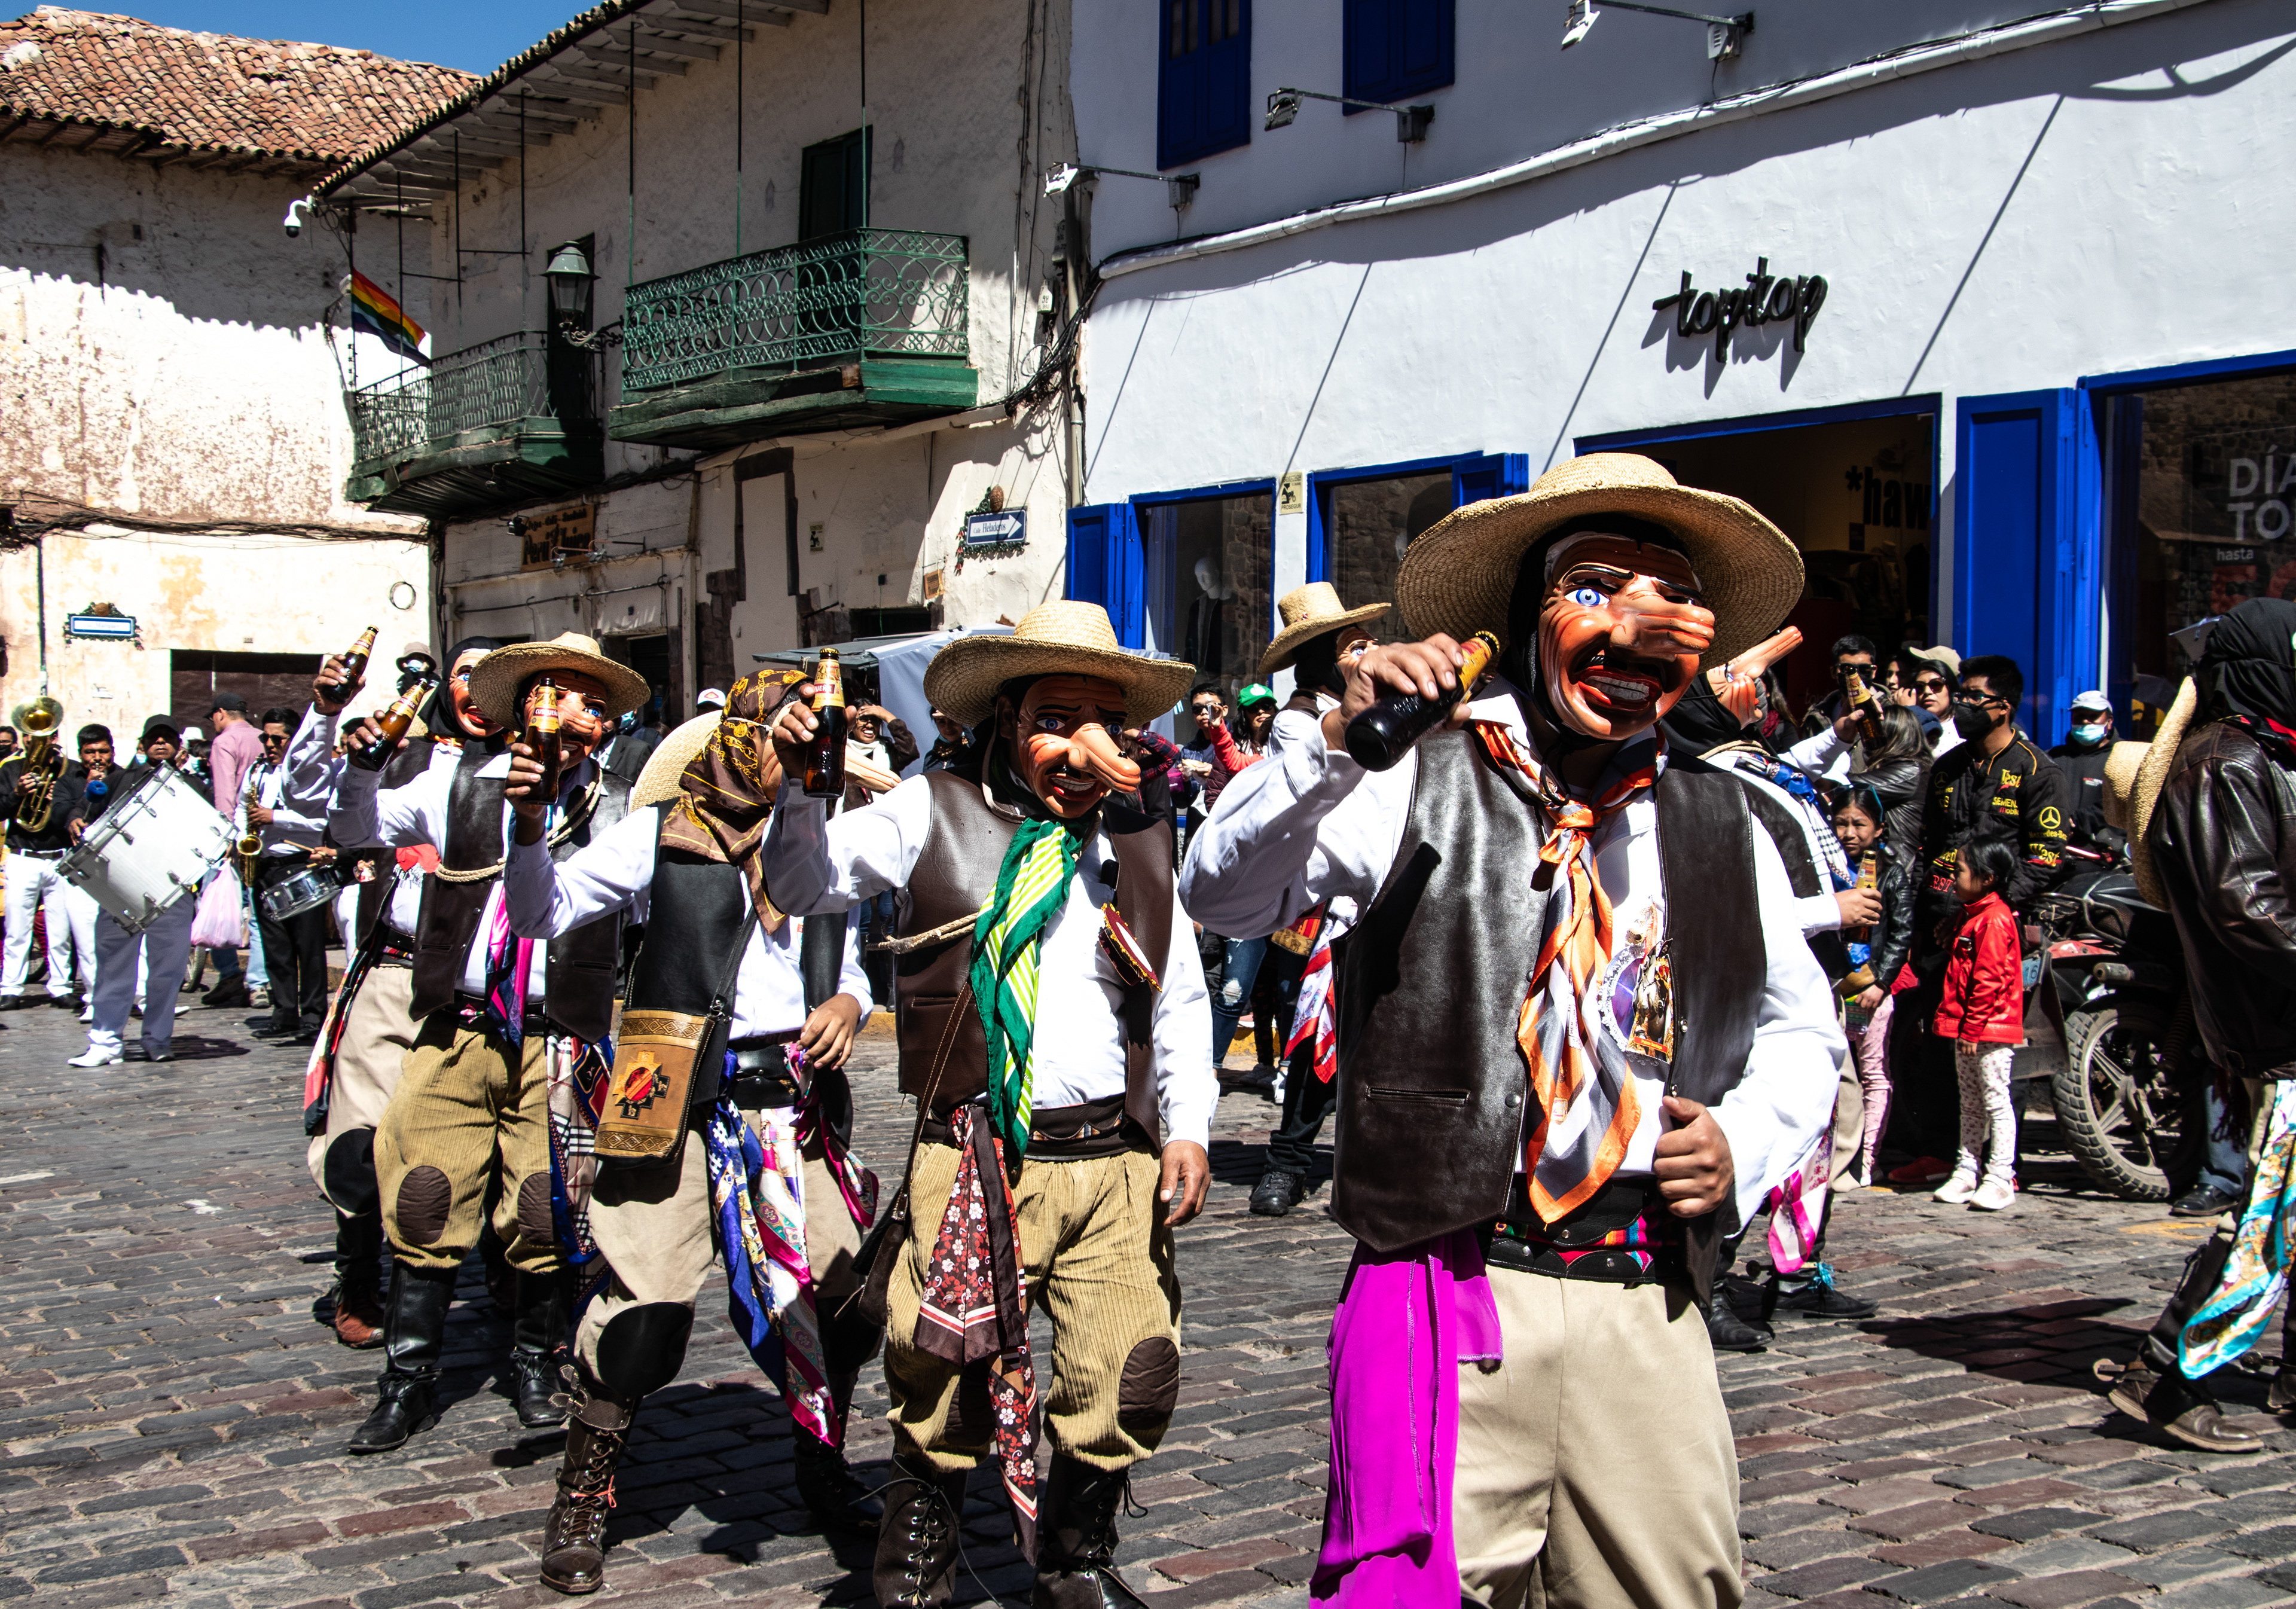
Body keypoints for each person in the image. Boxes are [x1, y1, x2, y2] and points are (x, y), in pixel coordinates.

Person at [1181, 453, 1843, 1605]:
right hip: (1451, 1291)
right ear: (1523, 617)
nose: (1635, 632)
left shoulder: (1723, 818)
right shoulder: (1405, 779)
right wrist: (1332, 737)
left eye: (1669, 598)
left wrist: (1746, 1137)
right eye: (1595, 586)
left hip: (1648, 1300)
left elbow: (1804, 1032)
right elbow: (1222, 894)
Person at [763, 601, 1214, 1607]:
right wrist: (800, 792)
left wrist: (1187, 1127)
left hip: (1114, 1160)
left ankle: (1076, 1554)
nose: (1083, 745)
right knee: (944, 1373)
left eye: (1106, 719)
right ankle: (918, 1539)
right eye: (1060, 716)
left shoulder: (1139, 835)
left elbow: (1180, 992)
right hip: (973, 1155)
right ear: (1010, 721)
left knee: (1131, 1366)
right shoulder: (933, 809)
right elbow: (800, 881)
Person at [504, 679, 885, 1592]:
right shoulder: (660, 835)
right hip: (664, 1088)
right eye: (769, 736)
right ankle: (585, 1490)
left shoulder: (825, 841)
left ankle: (819, 1466)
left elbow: (855, 959)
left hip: (790, 1099)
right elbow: (538, 914)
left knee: (840, 1299)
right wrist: (524, 829)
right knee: (645, 1308)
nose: (782, 755)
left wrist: (847, 998)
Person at [326, 631, 648, 1454]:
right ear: (522, 705)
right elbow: (354, 827)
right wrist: (359, 766)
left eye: (593, 703)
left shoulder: (623, 808)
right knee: (425, 1193)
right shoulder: (458, 781)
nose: (575, 715)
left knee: (545, 1208)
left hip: (560, 1036)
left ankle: (537, 1362)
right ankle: (408, 1376)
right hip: (461, 1024)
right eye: (557, 695)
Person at [2105, 599, 2296, 1453]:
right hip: (2275, 1028)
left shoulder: (2266, 755)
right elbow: (2244, 905)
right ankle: (2166, 1371)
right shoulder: (2223, 763)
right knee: (2269, 1215)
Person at [294, 639, 491, 1350]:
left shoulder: (537, 768)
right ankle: (358, 1278)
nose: (479, 690)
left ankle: (518, 1296)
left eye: (495, 676)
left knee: (491, 1143)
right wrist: (329, 721)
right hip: (393, 973)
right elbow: (313, 809)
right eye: (466, 673)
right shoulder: (400, 758)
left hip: (481, 982)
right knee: (363, 1139)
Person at [1887, 653, 2066, 1184]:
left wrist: (1986, 912)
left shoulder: (2037, 771)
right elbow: (1932, 845)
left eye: (1972, 696)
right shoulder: (1948, 767)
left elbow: (2047, 857)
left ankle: (1999, 1165)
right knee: (1942, 1046)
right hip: (1941, 933)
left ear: (2004, 707)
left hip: (2000, 935)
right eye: (1958, 694)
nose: (1961, 704)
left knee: (1994, 1053)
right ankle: (1945, 1153)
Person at [1248, 582, 1387, 1217]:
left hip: (1384, 895)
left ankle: (1382, 1162)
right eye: (1356, 647)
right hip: (1326, 905)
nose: (1371, 653)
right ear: (1327, 661)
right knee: (1312, 1036)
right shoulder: (1299, 723)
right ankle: (1288, 1162)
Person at [68, 719, 206, 1067]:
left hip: (173, 888)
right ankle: (106, 1041)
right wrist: (76, 816)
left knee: (168, 969)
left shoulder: (193, 785)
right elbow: (85, 811)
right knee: (114, 965)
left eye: (168, 739)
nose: (161, 743)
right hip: (121, 885)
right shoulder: (120, 779)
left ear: (179, 747)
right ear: (142, 746)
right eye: (153, 739)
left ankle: (157, 1038)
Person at [1930, 826, 2024, 1211]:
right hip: (1970, 1028)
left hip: (1988, 1030)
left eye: (1961, 871)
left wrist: (1973, 1027)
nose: (1954, 878)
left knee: (1995, 1100)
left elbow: (1988, 978)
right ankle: (1967, 1170)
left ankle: (2000, 1176)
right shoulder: (1972, 916)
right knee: (1970, 1102)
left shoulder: (1995, 920)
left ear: (1987, 879)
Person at [1831, 787, 1915, 1189]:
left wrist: (1882, 980)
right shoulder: (1827, 869)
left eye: (1859, 823)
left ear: (1878, 828)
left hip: (1869, 992)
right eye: (1842, 822)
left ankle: (1866, 1159)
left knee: (1872, 1073)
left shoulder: (1891, 872)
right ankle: (1836, 1158)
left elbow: (1900, 932)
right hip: (1835, 988)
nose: (1849, 832)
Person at [245, 706, 332, 1043]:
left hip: (299, 863)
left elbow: (323, 821)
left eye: (276, 738)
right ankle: (284, 1011)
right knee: (275, 947)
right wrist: (242, 834)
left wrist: (276, 819)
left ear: (293, 739)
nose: (269, 744)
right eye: (265, 737)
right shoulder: (257, 773)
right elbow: (243, 808)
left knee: (307, 946)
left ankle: (312, 1014)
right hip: (266, 864)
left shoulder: (312, 775)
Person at [0, 706, 84, 1011]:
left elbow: (80, 808)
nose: (34, 740)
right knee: (17, 927)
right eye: (29, 734)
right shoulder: (10, 770)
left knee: (60, 927)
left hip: (60, 855)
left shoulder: (70, 770)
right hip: (23, 854)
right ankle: (10, 987)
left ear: (55, 736)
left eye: (43, 734)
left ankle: (60, 986)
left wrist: (58, 803)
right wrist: (17, 794)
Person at [203, 692, 267, 1008]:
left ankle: (230, 974)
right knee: (257, 909)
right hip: (265, 828)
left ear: (220, 715)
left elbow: (225, 792)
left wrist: (225, 835)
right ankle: (259, 981)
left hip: (237, 833)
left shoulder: (223, 743)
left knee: (221, 904)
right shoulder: (262, 736)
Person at [2050, 689, 2121, 851]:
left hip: (2102, 859)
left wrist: (2075, 822)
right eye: (2079, 716)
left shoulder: (2123, 758)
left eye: (2093, 716)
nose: (2086, 722)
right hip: (2057, 853)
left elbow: (2119, 804)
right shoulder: (2053, 757)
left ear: (2109, 721)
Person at [918, 706, 970, 773]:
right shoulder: (931, 758)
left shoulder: (971, 750)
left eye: (952, 720)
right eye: (942, 722)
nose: (948, 727)